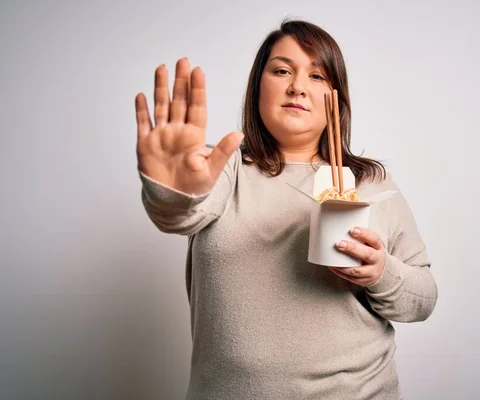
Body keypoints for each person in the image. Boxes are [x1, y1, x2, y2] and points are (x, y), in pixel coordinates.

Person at [135, 19, 437, 400]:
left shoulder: (368, 183)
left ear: (336, 97)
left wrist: (380, 272)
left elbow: (423, 299)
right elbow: (179, 214)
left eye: (317, 76)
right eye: (281, 70)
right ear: (258, 85)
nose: (297, 86)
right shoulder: (223, 168)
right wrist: (172, 190)